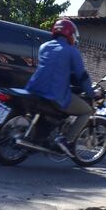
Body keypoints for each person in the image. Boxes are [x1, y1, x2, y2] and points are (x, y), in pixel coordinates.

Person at [26, 18, 95, 155]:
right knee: (87, 111)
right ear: (70, 34)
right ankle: (66, 141)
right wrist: (91, 93)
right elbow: (81, 76)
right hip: (54, 95)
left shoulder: (43, 47)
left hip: (34, 90)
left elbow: (52, 69)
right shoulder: (72, 51)